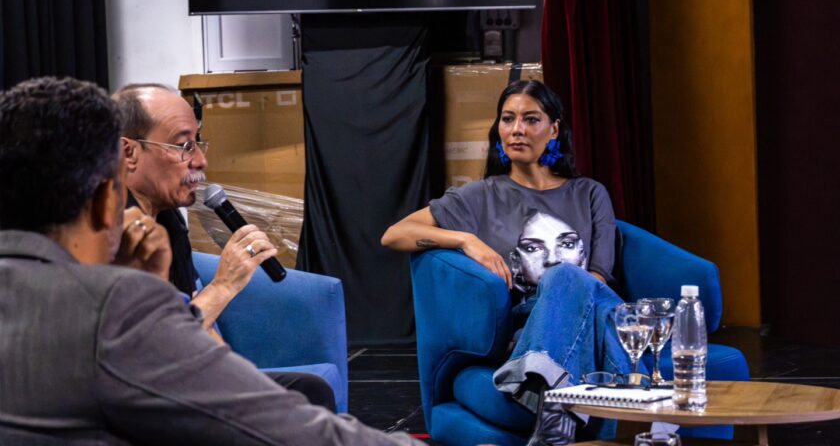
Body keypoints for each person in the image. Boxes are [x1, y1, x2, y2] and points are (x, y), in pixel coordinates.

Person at [0, 76, 424, 445]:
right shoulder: (110, 308)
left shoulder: (160, 237)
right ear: (105, 201)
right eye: (184, 145)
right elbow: (276, 424)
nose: (201, 161)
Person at [381, 80, 631, 445]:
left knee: (570, 277)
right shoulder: (480, 197)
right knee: (577, 285)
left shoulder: (589, 193)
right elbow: (394, 234)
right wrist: (466, 240)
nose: (517, 129)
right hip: (522, 325)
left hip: (587, 316)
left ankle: (549, 406)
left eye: (531, 119)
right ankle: (572, 409)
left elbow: (598, 279)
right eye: (508, 118)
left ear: (554, 129)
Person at [112, 83, 335, 411]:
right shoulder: (107, 233)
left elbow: (197, 321)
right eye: (184, 146)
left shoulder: (170, 221)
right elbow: (149, 347)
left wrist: (240, 379)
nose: (201, 161)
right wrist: (224, 285)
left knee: (306, 390)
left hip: (184, 375)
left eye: (198, 143)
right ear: (129, 153)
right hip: (140, 394)